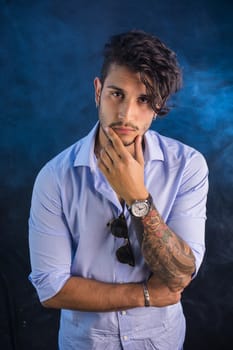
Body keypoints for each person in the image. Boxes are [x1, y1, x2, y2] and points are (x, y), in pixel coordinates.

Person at [28, 30, 209, 350]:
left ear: (158, 105)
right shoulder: (54, 177)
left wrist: (138, 196)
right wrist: (146, 295)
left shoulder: (187, 167)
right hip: (85, 343)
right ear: (98, 91)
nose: (127, 114)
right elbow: (51, 288)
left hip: (160, 341)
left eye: (143, 99)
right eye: (116, 94)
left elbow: (179, 278)